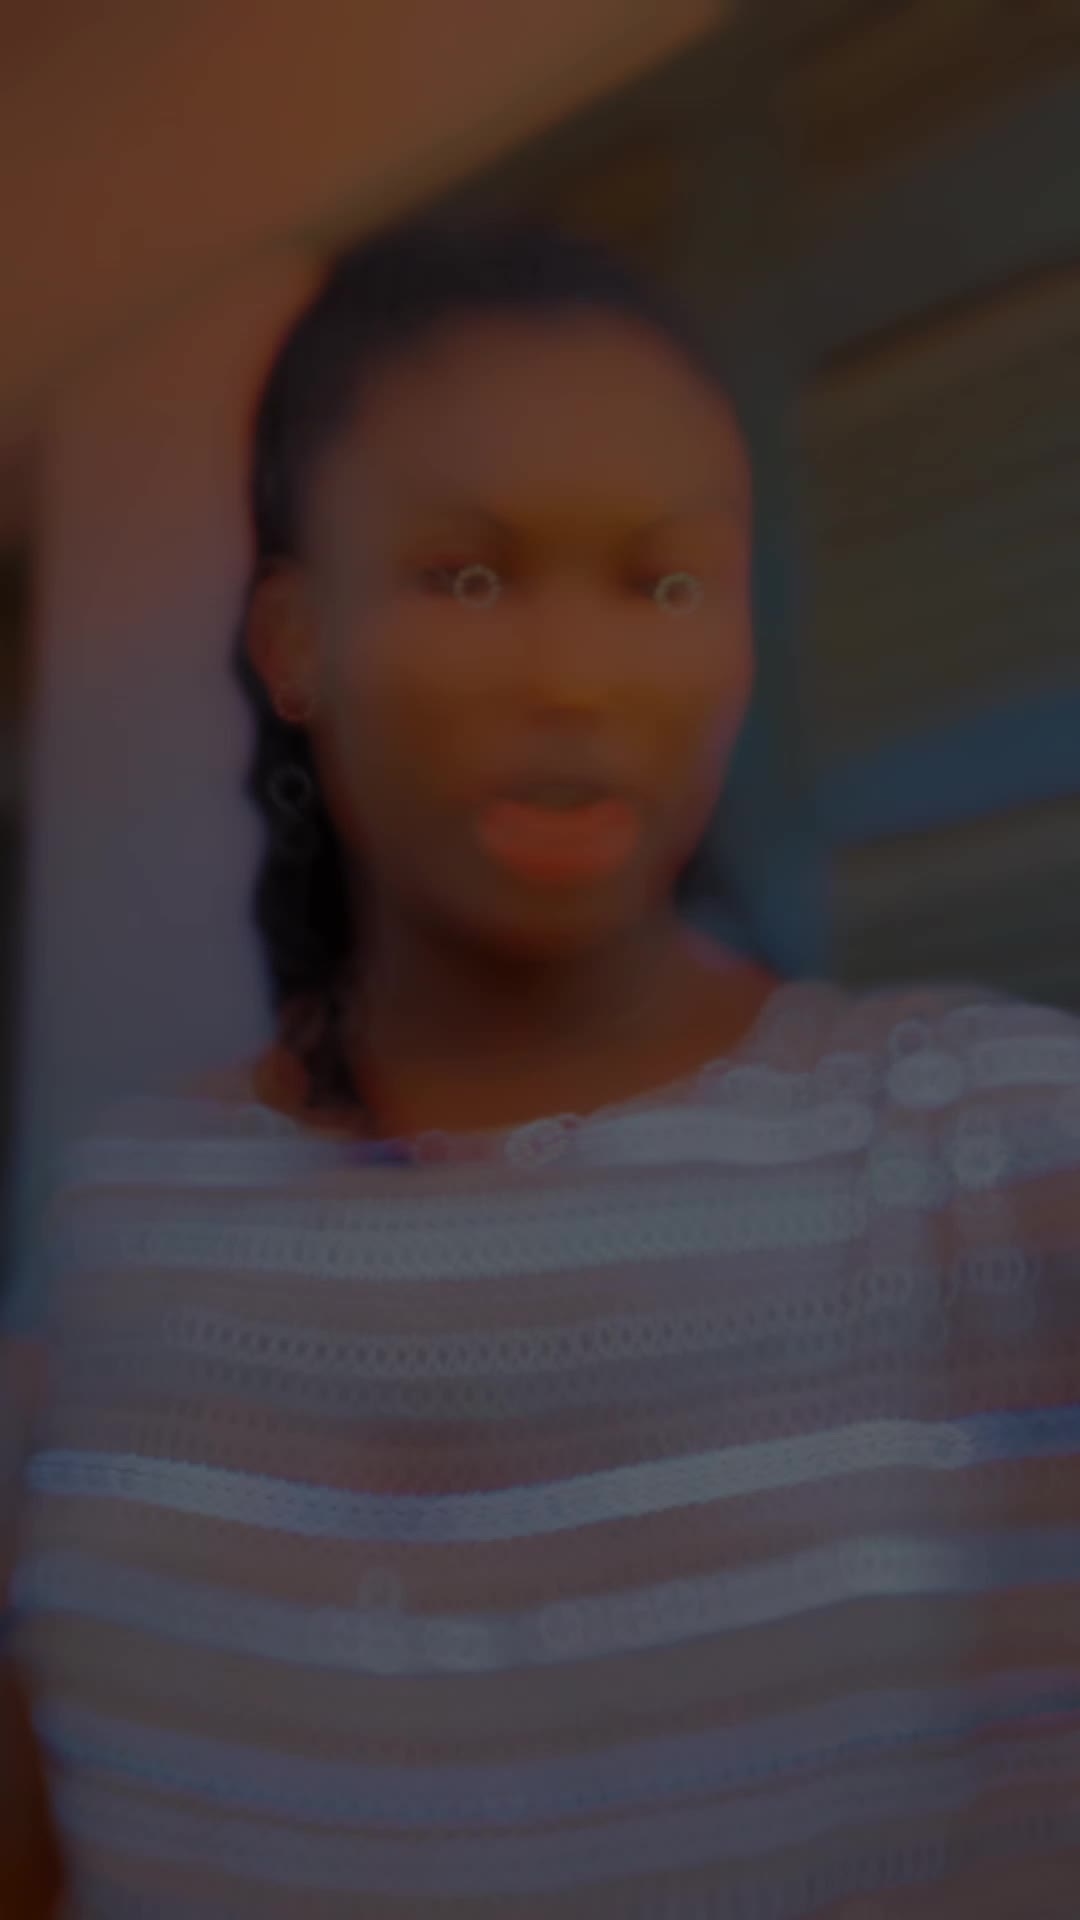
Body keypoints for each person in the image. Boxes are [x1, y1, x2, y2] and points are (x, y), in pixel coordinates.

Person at [4, 216, 1080, 1918]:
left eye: (664, 584)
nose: (579, 679)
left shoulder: (980, 1153)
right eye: (468, 575)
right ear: (294, 639)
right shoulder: (132, 1215)